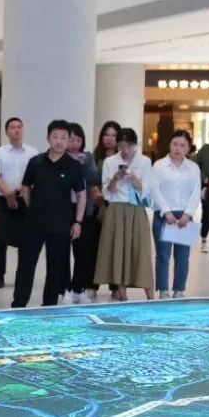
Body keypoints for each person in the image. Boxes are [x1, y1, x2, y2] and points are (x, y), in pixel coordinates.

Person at [12, 120, 85, 308]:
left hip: (60, 225)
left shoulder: (73, 166)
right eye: (55, 137)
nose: (59, 141)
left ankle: (49, 306)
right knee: (26, 266)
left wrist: (78, 222)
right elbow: (26, 187)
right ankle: (19, 304)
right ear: (48, 138)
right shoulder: (36, 162)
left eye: (63, 138)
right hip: (33, 224)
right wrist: (32, 207)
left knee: (55, 268)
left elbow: (81, 195)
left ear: (68, 140)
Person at [93, 127, 154, 301]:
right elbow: (107, 193)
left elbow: (146, 190)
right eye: (121, 146)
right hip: (116, 209)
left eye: (128, 146)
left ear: (135, 145)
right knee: (118, 250)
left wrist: (133, 178)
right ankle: (122, 294)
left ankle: (151, 296)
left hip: (137, 209)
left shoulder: (145, 161)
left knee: (141, 250)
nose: (125, 150)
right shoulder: (110, 161)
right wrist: (116, 178)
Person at [151, 130, 201, 299]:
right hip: (164, 216)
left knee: (182, 256)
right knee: (163, 256)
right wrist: (166, 211)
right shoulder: (159, 165)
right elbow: (155, 190)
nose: (178, 148)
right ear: (169, 145)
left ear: (188, 148)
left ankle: (179, 290)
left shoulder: (193, 168)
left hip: (185, 217)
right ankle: (163, 291)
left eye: (182, 145)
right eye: (175, 144)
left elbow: (196, 192)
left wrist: (188, 214)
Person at [0, 117, 38, 288]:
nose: (17, 130)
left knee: (24, 240)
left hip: (25, 199)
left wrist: (19, 190)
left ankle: (22, 275)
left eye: (19, 127)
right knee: (0, 240)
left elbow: (34, 176)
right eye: (13, 127)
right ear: (7, 132)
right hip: (3, 200)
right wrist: (8, 194)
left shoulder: (32, 152)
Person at [63, 123, 101, 304]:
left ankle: (79, 288)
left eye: (78, 140)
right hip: (64, 209)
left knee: (83, 252)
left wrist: (83, 165)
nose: (75, 144)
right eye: (71, 140)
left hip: (84, 209)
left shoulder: (88, 157)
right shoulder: (60, 157)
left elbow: (95, 178)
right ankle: (64, 289)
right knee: (63, 252)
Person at [89, 120, 121, 300]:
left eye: (113, 135)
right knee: (95, 247)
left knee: (114, 248)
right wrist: (99, 201)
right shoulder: (94, 157)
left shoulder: (123, 159)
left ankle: (115, 286)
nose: (109, 139)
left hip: (116, 207)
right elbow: (91, 181)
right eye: (106, 135)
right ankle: (92, 285)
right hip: (97, 206)